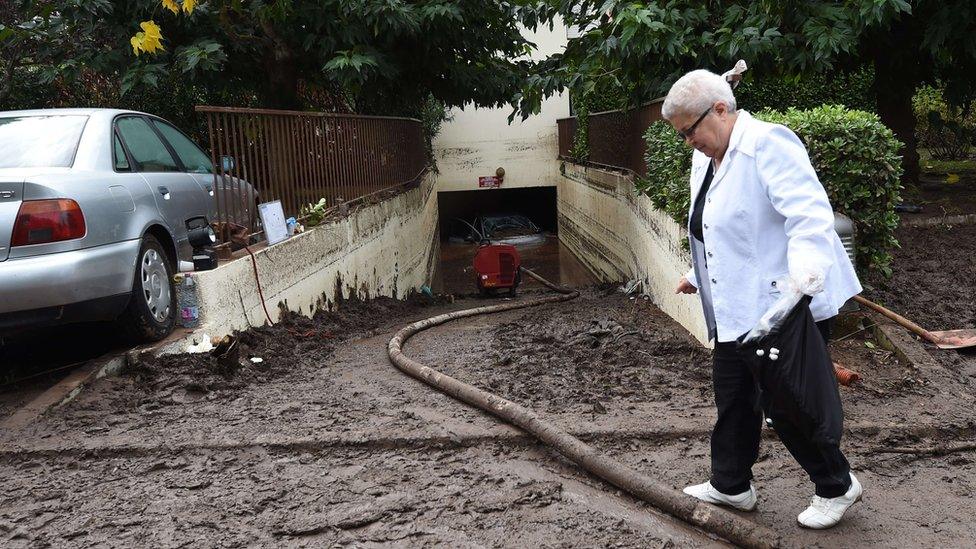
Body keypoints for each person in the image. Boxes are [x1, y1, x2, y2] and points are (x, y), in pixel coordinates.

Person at [663, 68, 863, 529]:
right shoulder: (707, 156)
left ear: (720, 109)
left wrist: (804, 281)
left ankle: (836, 485)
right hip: (737, 304)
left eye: (690, 131)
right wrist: (698, 273)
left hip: (785, 304)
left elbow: (810, 216)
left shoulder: (768, 144)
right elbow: (716, 225)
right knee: (733, 397)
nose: (687, 142)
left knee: (788, 403)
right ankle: (731, 484)